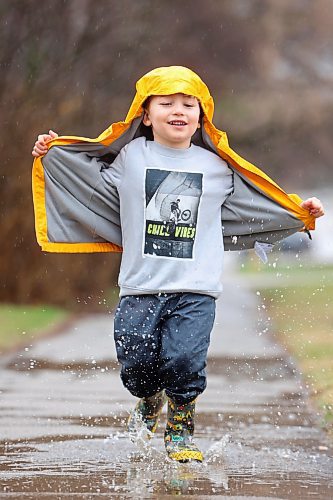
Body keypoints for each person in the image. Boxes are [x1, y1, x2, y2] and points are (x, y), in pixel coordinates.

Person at [32, 66, 324, 463]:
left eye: (189, 104)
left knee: (184, 360)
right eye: (166, 103)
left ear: (202, 116)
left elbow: (256, 203)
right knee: (136, 367)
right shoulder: (132, 157)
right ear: (145, 115)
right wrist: (54, 151)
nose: (179, 110)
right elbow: (86, 177)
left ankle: (181, 427)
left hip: (196, 289)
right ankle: (149, 400)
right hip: (139, 286)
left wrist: (298, 211)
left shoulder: (217, 168)